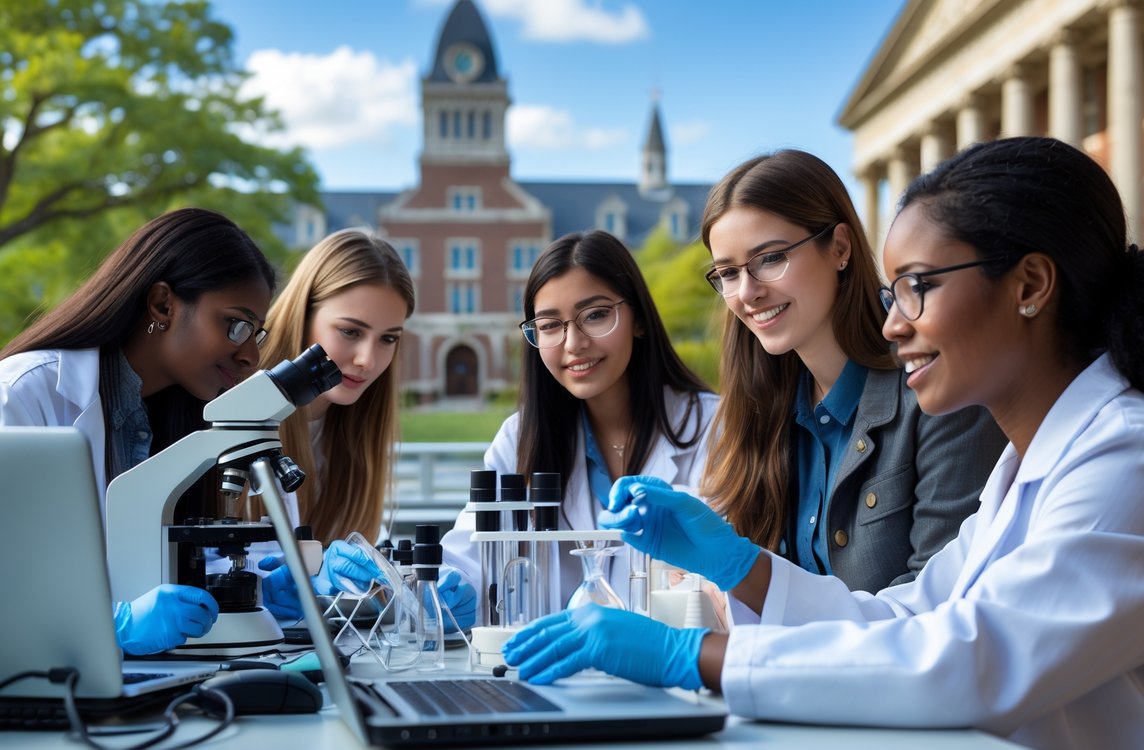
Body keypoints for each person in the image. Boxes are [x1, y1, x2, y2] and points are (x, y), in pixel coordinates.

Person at [504, 137, 1144, 750]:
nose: (895, 322)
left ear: (1028, 285)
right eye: (896, 290)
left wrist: (690, 658)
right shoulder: (1028, 466)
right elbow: (907, 619)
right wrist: (741, 566)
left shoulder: (1136, 460)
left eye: (917, 288)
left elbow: (967, 663)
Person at [699, 149, 1004, 596]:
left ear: (839, 248)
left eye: (770, 258)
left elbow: (937, 605)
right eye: (727, 272)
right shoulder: (756, 407)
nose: (748, 293)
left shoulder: (937, 387)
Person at [0, 208, 274, 654]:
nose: (249, 356)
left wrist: (260, 588)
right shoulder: (22, 394)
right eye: (235, 325)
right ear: (163, 304)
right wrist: (111, 626)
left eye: (255, 334)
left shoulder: (176, 417)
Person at [441, 229, 718, 617]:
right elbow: (468, 561)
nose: (574, 343)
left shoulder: (712, 427)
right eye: (551, 325)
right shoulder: (518, 440)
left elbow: (731, 582)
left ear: (638, 317)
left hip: (676, 669)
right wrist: (433, 593)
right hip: (549, 673)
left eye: (596, 315)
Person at [242, 229, 472, 625]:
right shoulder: (234, 411)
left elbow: (343, 593)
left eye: (387, 339)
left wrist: (408, 592)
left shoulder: (352, 431)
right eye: (350, 331)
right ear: (303, 315)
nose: (368, 359)